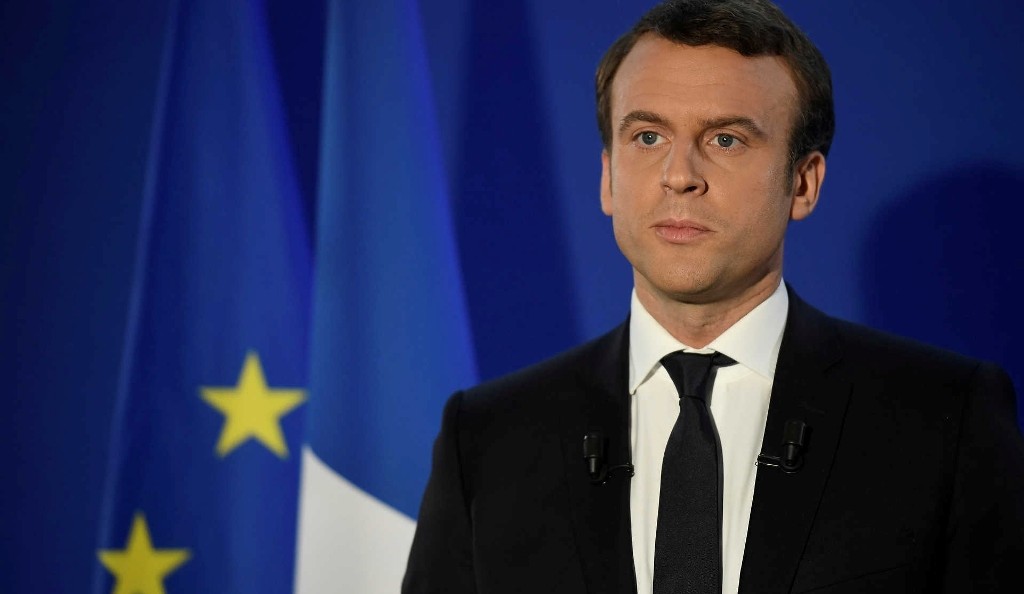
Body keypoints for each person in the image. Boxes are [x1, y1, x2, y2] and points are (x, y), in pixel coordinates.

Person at [402, 0, 1024, 592]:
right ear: (608, 177)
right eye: (648, 137)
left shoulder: (943, 419)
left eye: (725, 139)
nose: (679, 175)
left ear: (803, 183)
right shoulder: (488, 438)